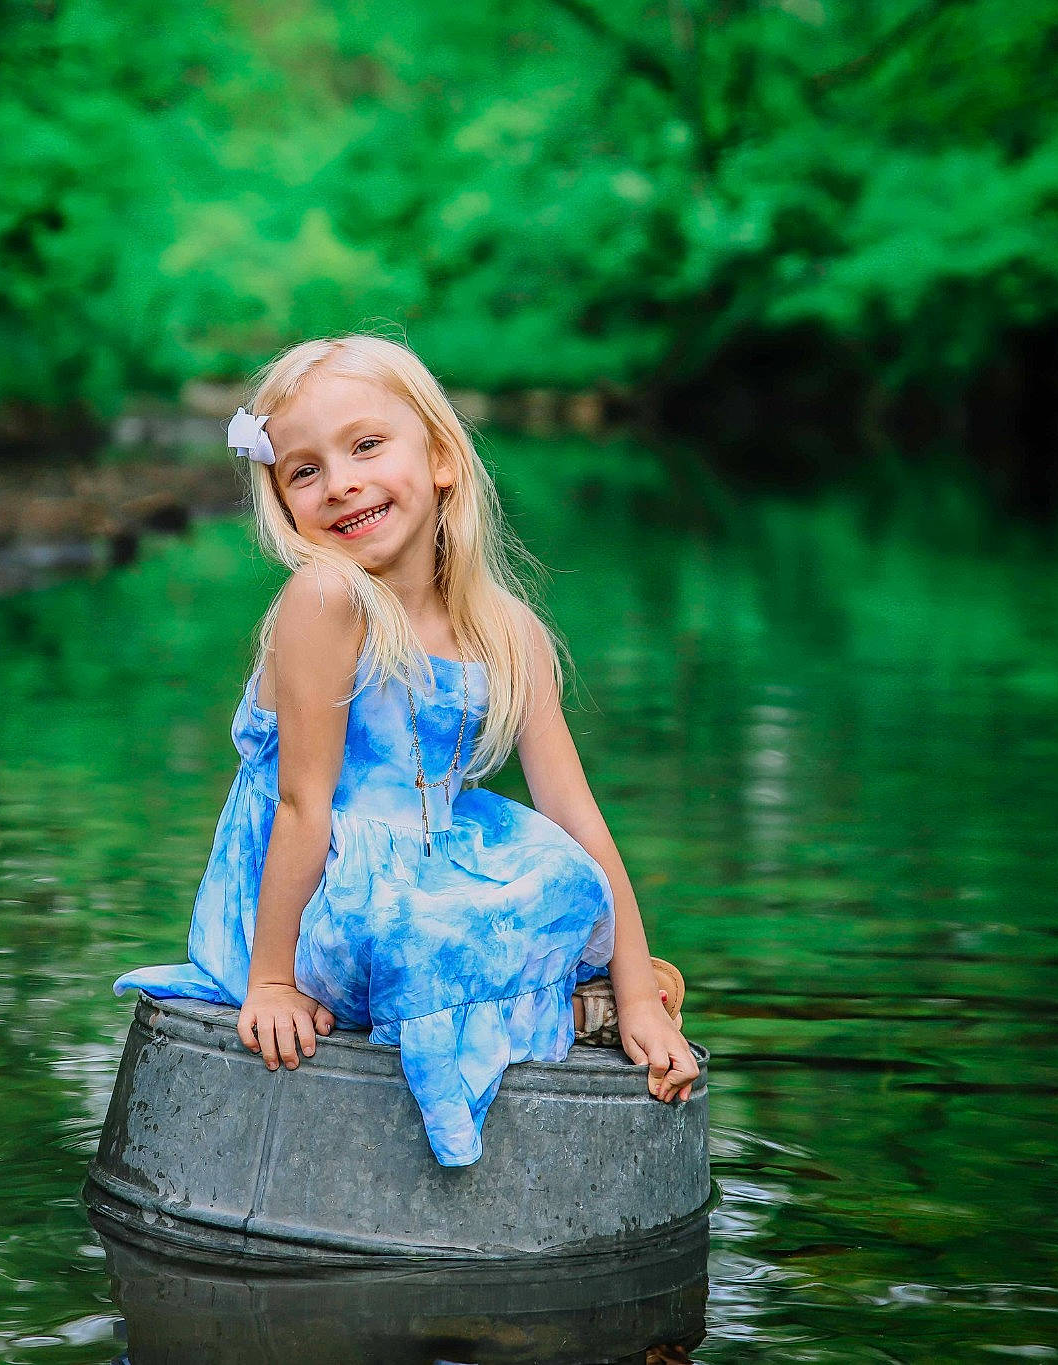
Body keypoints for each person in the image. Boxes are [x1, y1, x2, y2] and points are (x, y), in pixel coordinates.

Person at [113, 334, 698, 1167]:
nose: (341, 482)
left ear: (442, 460)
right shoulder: (326, 596)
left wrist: (640, 994)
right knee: (411, 934)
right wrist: (271, 979)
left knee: (568, 877)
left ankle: (602, 1001)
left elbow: (575, 813)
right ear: (283, 502)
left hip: (431, 857)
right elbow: (302, 804)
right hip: (313, 883)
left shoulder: (510, 631)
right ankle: (557, 1009)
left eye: (365, 446)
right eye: (304, 471)